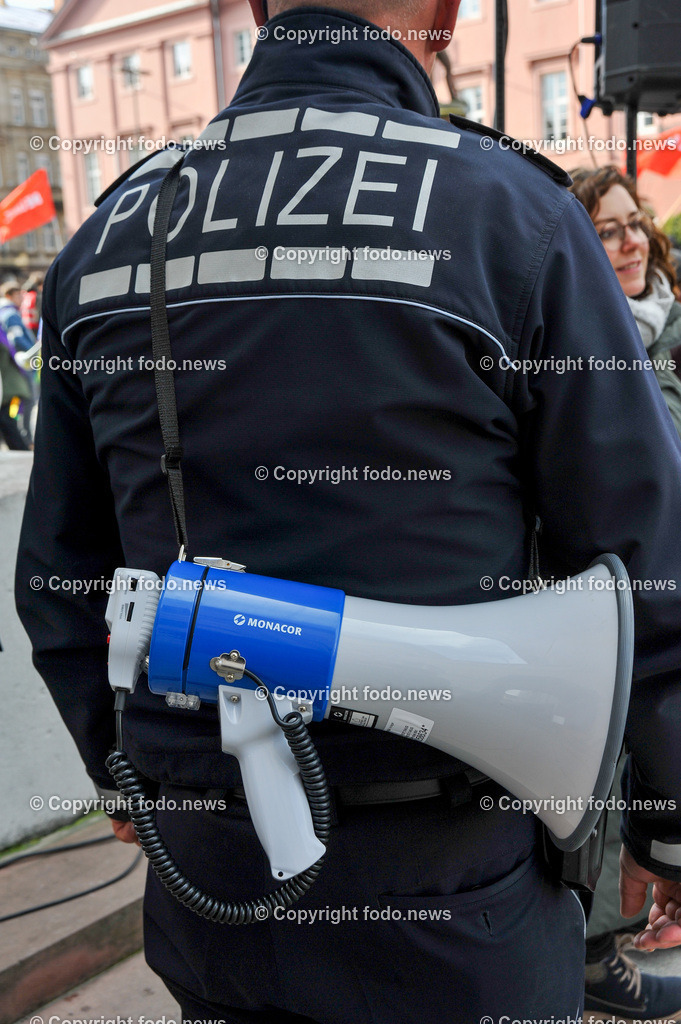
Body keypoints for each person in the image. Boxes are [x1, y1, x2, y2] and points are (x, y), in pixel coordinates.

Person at [14, 3, 681, 1021]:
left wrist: (130, 770)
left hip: (213, 888)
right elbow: (646, 562)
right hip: (455, 899)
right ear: (449, 14)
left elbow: (61, 578)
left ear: (250, 10)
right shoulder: (509, 213)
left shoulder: (108, 235)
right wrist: (667, 825)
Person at [571, 166, 681, 438]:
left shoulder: (675, 322)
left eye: (635, 223)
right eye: (608, 232)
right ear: (570, 248)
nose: (632, 242)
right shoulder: (555, 343)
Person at [0, 279, 38, 445]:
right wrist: (32, 353)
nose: (21, 299)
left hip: (12, 366)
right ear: (9, 295)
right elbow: (17, 340)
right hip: (19, 365)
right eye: (17, 295)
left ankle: (21, 435)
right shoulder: (10, 314)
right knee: (26, 400)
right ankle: (25, 437)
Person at [0, 320, 32, 450]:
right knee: (8, 421)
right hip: (11, 392)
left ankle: (24, 449)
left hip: (14, 393)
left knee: (10, 421)